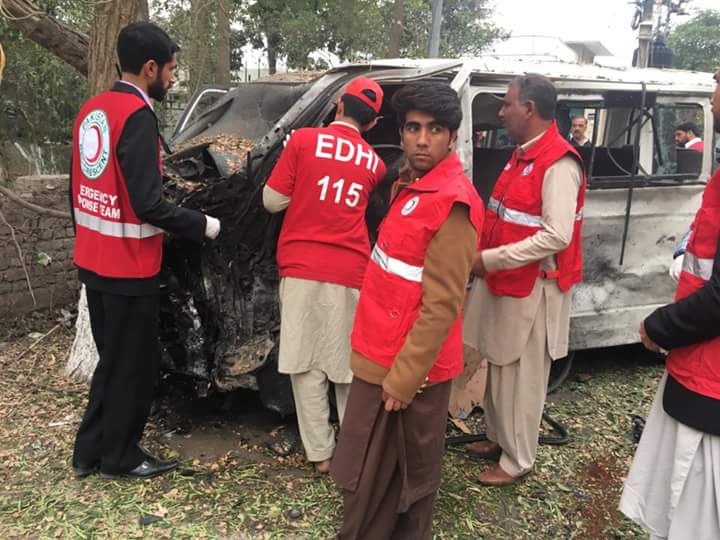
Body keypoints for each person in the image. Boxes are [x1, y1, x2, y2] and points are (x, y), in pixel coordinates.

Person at [330, 81, 484, 539]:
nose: (422, 139)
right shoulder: (410, 185)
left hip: (408, 371)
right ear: (400, 133)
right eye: (413, 128)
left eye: (434, 129)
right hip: (379, 354)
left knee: (399, 480)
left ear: (452, 136)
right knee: (364, 471)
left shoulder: (452, 203)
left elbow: (442, 305)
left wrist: (403, 378)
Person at [70, 22, 221, 480]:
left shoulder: (92, 110)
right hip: (128, 267)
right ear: (151, 67)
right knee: (136, 366)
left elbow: (76, 190)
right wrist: (203, 225)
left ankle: (89, 452)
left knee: (112, 361)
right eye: (172, 70)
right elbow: (147, 203)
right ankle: (122, 457)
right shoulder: (137, 117)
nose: (173, 79)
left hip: (94, 261)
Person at [463, 74, 586, 486]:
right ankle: (497, 437)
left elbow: (557, 235)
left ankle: (518, 461)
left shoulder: (559, 163)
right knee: (498, 361)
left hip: (535, 288)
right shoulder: (523, 156)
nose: (501, 112)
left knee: (523, 375)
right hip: (505, 280)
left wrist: (491, 259)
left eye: (507, 104)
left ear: (529, 109)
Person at [262, 77, 386, 474]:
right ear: (373, 122)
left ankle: (322, 455)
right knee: (346, 366)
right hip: (352, 272)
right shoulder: (376, 164)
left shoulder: (301, 142)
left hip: (301, 267)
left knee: (306, 364)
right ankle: (353, 452)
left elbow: (271, 200)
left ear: (337, 103)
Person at [619, 68, 720, 540]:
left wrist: (659, 326)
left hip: (711, 381)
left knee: (694, 515)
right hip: (699, 367)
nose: (714, 99)